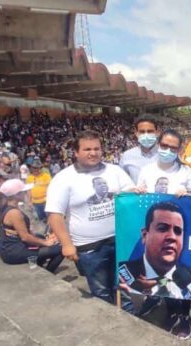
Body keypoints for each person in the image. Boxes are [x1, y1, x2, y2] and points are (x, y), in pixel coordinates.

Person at [46, 130, 136, 308]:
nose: (93, 153)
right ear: (76, 152)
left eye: (97, 148)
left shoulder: (114, 171)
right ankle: (111, 323)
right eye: (87, 149)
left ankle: (129, 314)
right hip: (90, 248)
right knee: (101, 290)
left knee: (124, 287)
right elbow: (54, 214)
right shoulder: (63, 178)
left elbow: (131, 195)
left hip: (119, 241)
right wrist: (66, 244)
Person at [117, 201, 191, 340]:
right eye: (162, 228)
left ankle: (185, 319)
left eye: (178, 231)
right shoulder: (125, 273)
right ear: (145, 235)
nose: (172, 237)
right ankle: (172, 314)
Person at [0, 179, 64, 273]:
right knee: (62, 249)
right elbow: (25, 237)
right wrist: (46, 243)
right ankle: (47, 273)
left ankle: (39, 266)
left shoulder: (6, 208)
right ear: (17, 195)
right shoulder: (14, 213)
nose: (26, 193)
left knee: (41, 237)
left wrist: (43, 240)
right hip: (15, 252)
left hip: (9, 250)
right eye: (24, 192)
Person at [137, 129, 191, 196]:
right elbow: (138, 196)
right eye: (164, 146)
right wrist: (138, 191)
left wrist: (187, 194)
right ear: (158, 144)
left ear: (179, 149)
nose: (168, 150)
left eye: (173, 148)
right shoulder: (146, 170)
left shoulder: (186, 171)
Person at [119, 114, 160, 183]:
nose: (146, 135)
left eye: (150, 131)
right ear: (136, 133)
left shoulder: (166, 155)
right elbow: (122, 183)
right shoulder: (127, 156)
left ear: (157, 132)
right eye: (142, 132)